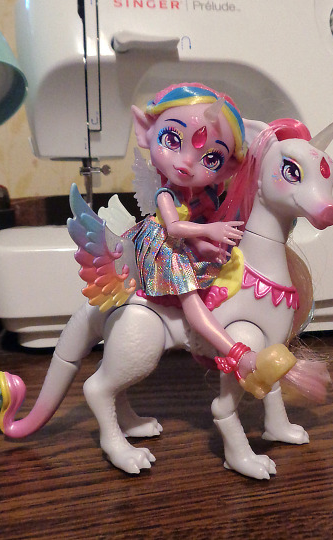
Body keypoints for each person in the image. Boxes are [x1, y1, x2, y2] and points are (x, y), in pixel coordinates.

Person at [124, 82, 257, 379]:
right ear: (145, 130)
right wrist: (211, 230)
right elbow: (174, 227)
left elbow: (192, 233)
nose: (186, 162)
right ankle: (235, 353)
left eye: (211, 159)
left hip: (182, 246)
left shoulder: (200, 196)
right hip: (163, 248)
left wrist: (208, 245)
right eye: (172, 139)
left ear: (227, 169)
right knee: (192, 301)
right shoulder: (165, 194)